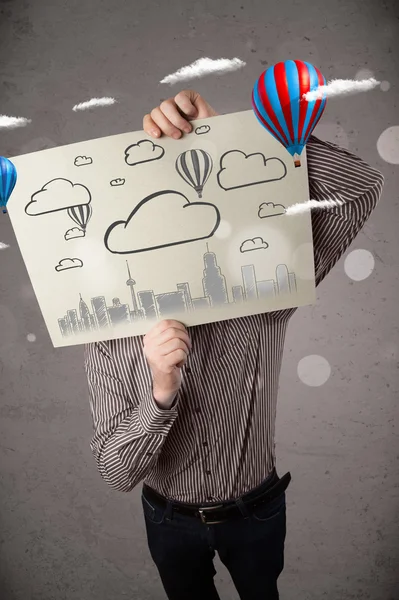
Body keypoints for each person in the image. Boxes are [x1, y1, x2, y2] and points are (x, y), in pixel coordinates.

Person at [85, 90, 384, 600]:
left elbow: (357, 189)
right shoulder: (108, 333)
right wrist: (160, 390)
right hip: (168, 518)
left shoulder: (262, 294)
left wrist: (241, 135)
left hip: (256, 511)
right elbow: (116, 471)